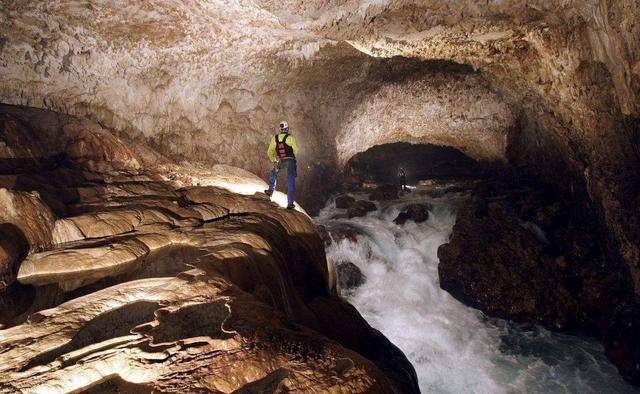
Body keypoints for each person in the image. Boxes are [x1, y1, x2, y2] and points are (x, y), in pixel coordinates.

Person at [264, 121, 298, 209]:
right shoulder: (291, 138)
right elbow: (296, 150)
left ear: (280, 129)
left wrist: (275, 160)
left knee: (273, 173)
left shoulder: (275, 138)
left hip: (281, 160)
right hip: (290, 160)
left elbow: (269, 152)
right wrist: (293, 157)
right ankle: (290, 203)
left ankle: (270, 190)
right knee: (291, 181)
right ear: (287, 129)